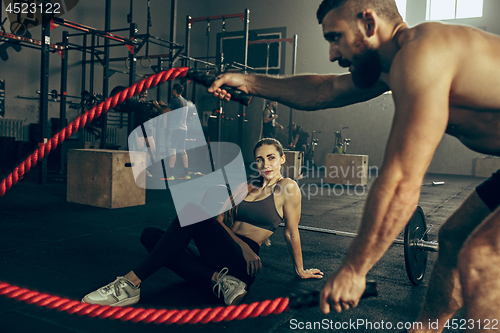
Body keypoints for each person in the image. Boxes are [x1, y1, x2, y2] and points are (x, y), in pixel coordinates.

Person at [207, 0, 500, 330]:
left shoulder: (422, 55)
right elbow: (324, 89)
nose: (333, 53)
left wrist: (355, 268)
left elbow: (402, 180)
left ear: (369, 23)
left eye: (336, 37)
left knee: (482, 258)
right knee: (454, 238)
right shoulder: (392, 65)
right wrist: (251, 83)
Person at [81, 138, 324, 307]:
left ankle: (129, 285)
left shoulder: (288, 187)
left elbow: (292, 233)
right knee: (151, 235)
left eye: (271, 158)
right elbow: (219, 220)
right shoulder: (248, 185)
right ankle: (221, 281)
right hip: (226, 252)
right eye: (260, 160)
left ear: (282, 159)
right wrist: (238, 242)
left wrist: (300, 270)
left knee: (192, 211)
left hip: (243, 264)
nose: (265, 164)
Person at [161, 83, 190, 180]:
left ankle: (170, 175)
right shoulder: (185, 101)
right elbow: (175, 108)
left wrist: (157, 105)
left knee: (172, 150)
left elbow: (165, 112)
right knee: (182, 151)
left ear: (174, 91)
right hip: (183, 129)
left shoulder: (174, 100)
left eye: (172, 90)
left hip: (175, 129)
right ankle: (186, 174)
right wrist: (166, 105)